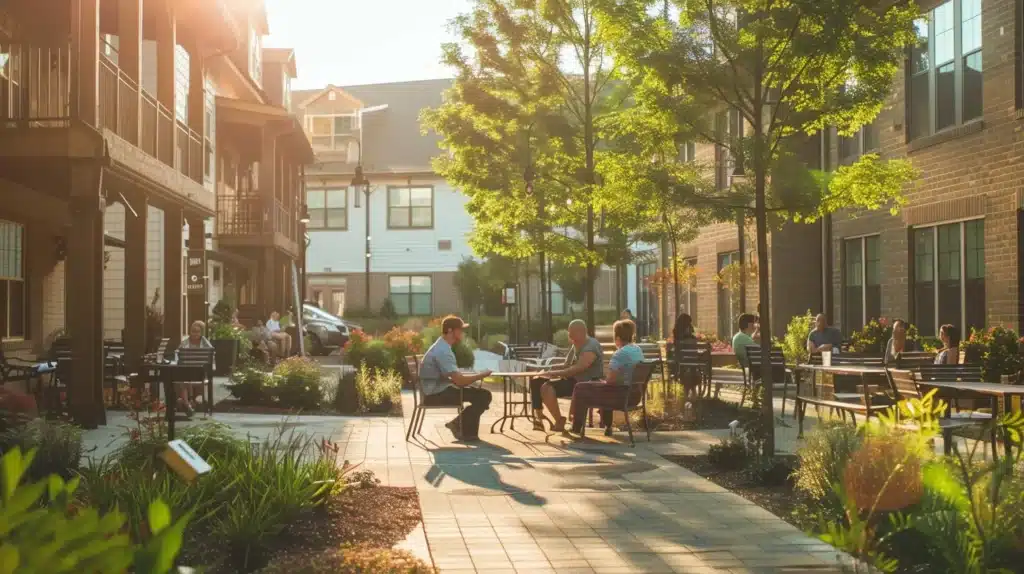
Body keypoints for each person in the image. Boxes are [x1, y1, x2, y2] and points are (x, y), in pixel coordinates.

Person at [419, 315, 493, 441]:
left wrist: (469, 377)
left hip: (435, 390)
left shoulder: (442, 347)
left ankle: (462, 428)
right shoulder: (443, 350)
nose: (462, 332)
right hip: (435, 394)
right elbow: (459, 381)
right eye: (460, 329)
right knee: (483, 395)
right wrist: (481, 375)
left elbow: (453, 376)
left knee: (480, 394)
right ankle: (463, 429)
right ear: (450, 331)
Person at [569, 319, 644, 434]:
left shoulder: (619, 354)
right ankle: (606, 426)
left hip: (621, 397)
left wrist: (602, 382)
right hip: (635, 395)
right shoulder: (637, 350)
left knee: (580, 388)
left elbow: (610, 381)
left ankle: (576, 427)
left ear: (617, 337)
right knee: (599, 389)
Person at [529, 320, 603, 432]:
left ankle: (559, 421)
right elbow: (566, 365)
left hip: (585, 383)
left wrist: (555, 374)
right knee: (536, 381)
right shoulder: (576, 344)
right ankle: (539, 417)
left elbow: (579, 368)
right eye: (569, 332)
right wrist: (547, 370)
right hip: (572, 379)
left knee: (547, 387)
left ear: (581, 332)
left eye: (572, 333)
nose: (570, 336)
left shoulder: (591, 346)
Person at [176, 320, 213, 417]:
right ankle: (188, 404)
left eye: (197, 331)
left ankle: (187, 402)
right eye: (193, 331)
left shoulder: (205, 343)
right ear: (190, 332)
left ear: (201, 333)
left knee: (182, 379)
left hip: (199, 374)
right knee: (183, 378)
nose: (195, 333)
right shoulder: (184, 343)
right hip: (189, 374)